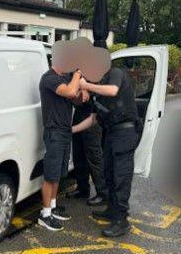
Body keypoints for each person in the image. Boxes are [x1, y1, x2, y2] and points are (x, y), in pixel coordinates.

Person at [72, 67, 140, 237]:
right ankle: (112, 209)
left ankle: (122, 220)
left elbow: (113, 90)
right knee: (108, 173)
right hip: (111, 133)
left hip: (125, 132)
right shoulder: (99, 88)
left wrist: (86, 85)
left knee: (121, 177)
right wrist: (72, 129)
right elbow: (93, 119)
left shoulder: (116, 73)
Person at [38, 67, 84, 231]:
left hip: (65, 131)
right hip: (54, 132)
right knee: (50, 175)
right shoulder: (49, 79)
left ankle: (53, 206)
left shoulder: (66, 78)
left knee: (58, 174)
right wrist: (77, 76)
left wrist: (81, 92)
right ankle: (45, 215)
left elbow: (76, 99)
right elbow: (71, 92)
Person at [66, 101, 107, 206]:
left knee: (94, 155)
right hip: (80, 111)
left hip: (92, 113)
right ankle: (82, 188)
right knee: (78, 154)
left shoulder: (93, 84)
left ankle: (103, 193)